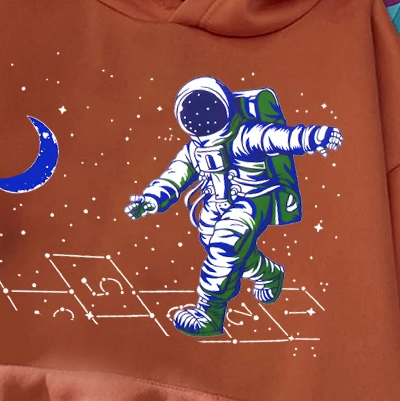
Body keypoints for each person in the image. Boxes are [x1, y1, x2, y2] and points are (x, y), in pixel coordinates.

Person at [125, 76, 342, 336]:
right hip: (214, 208)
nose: (202, 118)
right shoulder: (193, 150)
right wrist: (152, 199)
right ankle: (268, 273)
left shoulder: (246, 135)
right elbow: (174, 177)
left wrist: (317, 136)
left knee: (226, 245)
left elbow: (281, 138)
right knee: (230, 254)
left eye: (208, 110)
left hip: (252, 202)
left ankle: (209, 313)